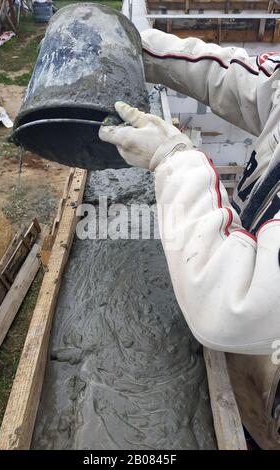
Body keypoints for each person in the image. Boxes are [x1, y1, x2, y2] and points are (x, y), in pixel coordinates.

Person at [99, 28, 280, 355]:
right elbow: (239, 78)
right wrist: (138, 46)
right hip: (252, 236)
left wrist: (173, 158)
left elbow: (230, 311)